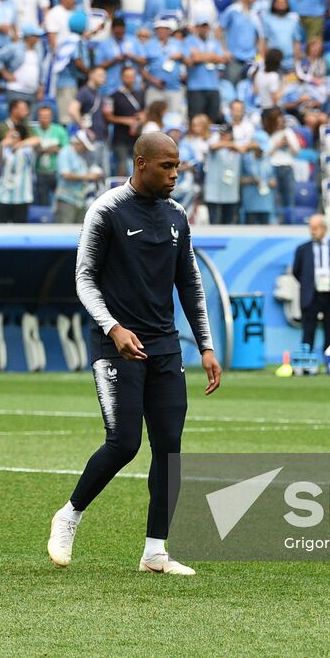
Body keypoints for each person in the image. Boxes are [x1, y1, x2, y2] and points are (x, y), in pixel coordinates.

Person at [48, 132, 221, 575]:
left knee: (169, 449)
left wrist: (205, 345)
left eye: (178, 166)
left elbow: (191, 284)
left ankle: (155, 552)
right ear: (141, 163)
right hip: (115, 345)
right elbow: (84, 279)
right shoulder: (106, 210)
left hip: (164, 345)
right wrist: (113, 326)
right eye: (167, 167)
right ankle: (69, 515)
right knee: (124, 443)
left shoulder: (177, 216)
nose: (175, 175)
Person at [292, 213, 330, 361]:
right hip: (311, 294)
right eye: (311, 228)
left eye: (315, 228)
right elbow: (297, 271)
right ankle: (306, 362)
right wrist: (309, 284)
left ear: (324, 228)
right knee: (308, 330)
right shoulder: (303, 249)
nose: (312, 231)